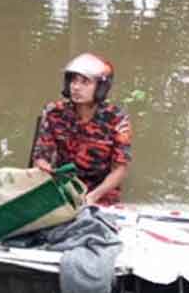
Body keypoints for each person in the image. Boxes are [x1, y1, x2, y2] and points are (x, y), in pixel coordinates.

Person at [31, 53, 132, 206]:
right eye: (73, 81)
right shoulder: (54, 112)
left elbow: (120, 169)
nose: (76, 87)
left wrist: (92, 197)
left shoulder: (117, 119)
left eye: (85, 82)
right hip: (64, 186)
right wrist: (46, 173)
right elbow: (41, 157)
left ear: (101, 87)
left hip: (101, 193)